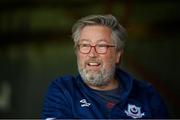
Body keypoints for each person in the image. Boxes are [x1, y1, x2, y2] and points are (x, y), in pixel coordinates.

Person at [41, 14, 169, 119]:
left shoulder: (147, 94)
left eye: (101, 46)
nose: (92, 53)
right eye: (85, 45)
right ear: (77, 52)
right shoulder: (64, 90)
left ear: (118, 54)